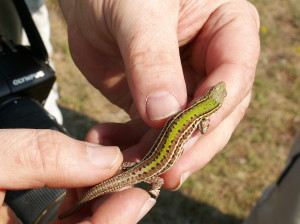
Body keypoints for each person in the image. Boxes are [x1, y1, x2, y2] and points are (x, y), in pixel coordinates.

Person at [0, 0, 260, 223]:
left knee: (129, 172)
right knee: (155, 180)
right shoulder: (201, 119)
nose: (220, 91)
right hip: (150, 167)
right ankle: (127, 192)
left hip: (149, 163)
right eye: (217, 95)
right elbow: (203, 128)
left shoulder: (191, 111)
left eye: (217, 96)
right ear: (208, 108)